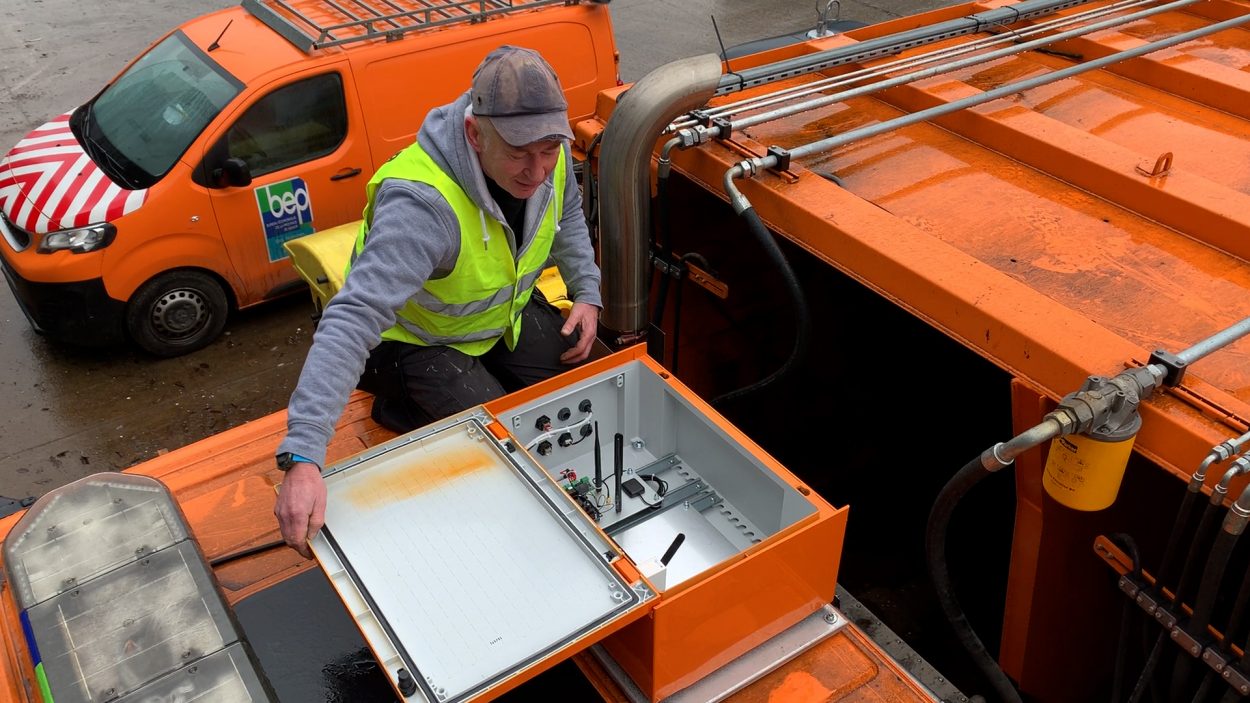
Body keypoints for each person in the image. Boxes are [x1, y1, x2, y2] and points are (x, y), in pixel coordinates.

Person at [273, 46, 601, 557]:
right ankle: (398, 402)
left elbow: (569, 215)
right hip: (414, 340)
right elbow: (353, 319)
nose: (537, 171)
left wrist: (587, 291)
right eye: (518, 153)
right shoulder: (424, 203)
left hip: (497, 321)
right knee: (494, 446)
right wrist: (305, 455)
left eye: (549, 151)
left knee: (588, 382)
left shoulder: (548, 158)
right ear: (475, 133)